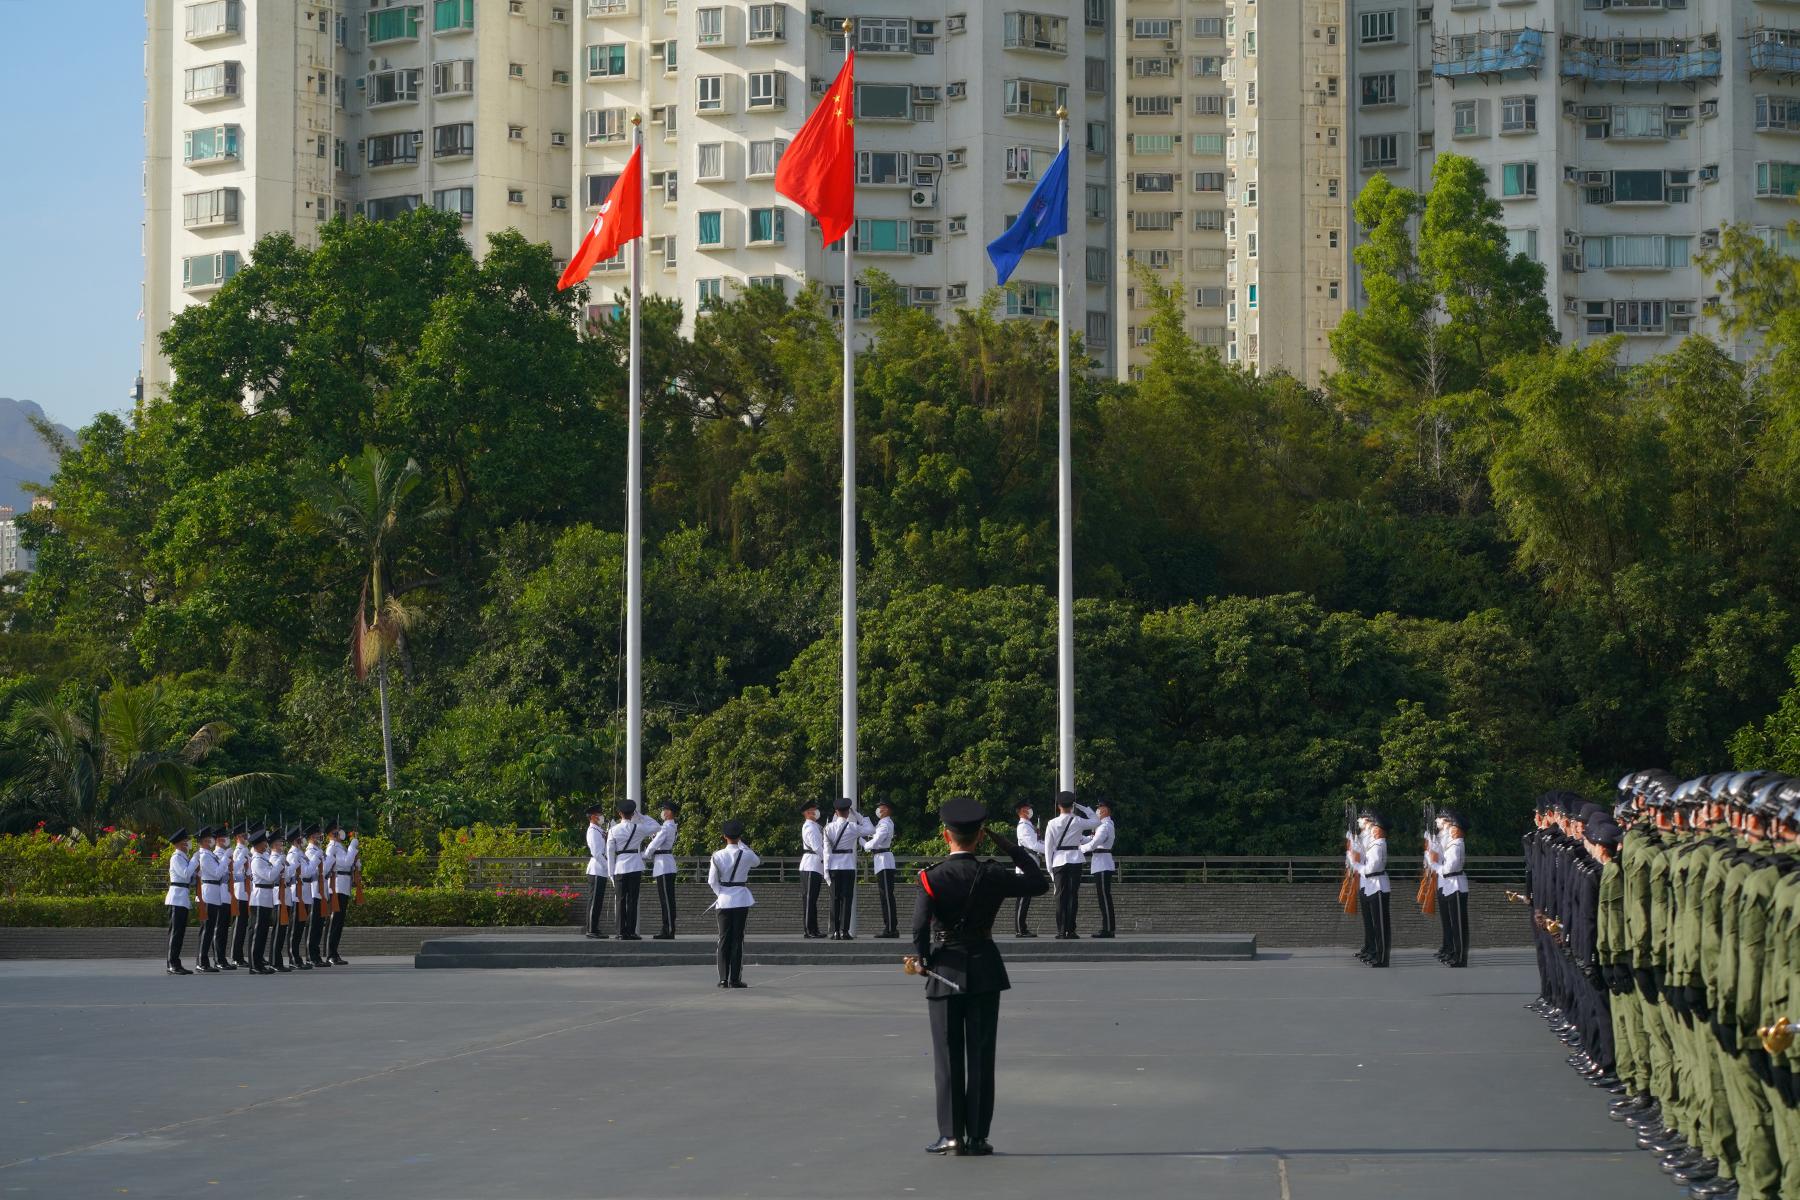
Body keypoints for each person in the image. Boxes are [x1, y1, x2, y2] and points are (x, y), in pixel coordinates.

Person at [908, 796, 1050, 1156]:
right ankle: (978, 1137)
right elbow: (1038, 883)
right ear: (981, 837)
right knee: (982, 1056)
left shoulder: (931, 876)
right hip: (985, 968)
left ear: (946, 836)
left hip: (944, 970)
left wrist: (923, 958)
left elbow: (918, 927)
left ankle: (952, 1134)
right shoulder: (992, 874)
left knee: (948, 1057)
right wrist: (1010, 846)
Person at [708, 819, 760, 988]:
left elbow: (712, 881)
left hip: (723, 900)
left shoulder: (717, 855)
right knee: (738, 939)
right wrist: (743, 845)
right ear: (740, 836)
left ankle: (723, 979)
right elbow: (757, 862)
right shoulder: (747, 854)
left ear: (724, 836)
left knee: (723, 939)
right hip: (741, 899)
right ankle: (735, 979)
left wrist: (721, 894)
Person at [1042, 792, 1100, 939]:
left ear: (1058, 806)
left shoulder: (1052, 823)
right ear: (1072, 805)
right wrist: (1083, 807)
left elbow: (1048, 848)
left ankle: (1061, 931)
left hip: (1058, 861)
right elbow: (1096, 821)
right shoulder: (1078, 820)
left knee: (1060, 896)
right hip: (1075, 860)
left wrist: (1049, 868)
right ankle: (1071, 930)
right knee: (1073, 896)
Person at [606, 799, 661, 940]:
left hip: (619, 867)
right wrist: (641, 816)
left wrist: (610, 873)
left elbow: (610, 853)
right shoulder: (639, 828)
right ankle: (631, 931)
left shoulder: (613, 830)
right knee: (632, 900)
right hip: (635, 866)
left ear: (619, 813)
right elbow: (656, 826)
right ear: (632, 813)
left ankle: (620, 932)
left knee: (620, 900)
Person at [824, 797, 874, 939]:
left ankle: (835, 931)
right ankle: (845, 931)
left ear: (836, 812)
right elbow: (871, 829)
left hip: (833, 866)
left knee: (834, 899)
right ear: (847, 812)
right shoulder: (852, 827)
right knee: (847, 899)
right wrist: (857, 814)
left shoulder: (828, 828)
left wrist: (826, 871)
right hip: (848, 866)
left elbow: (826, 852)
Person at [1349, 812, 1391, 967]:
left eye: (1375, 827)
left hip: (1377, 885)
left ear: (1379, 830)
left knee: (1380, 925)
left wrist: (1356, 865)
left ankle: (1382, 958)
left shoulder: (1379, 845)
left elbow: (1371, 868)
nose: (1372, 829)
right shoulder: (1372, 843)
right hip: (1370, 885)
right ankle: (1373, 951)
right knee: (1371, 922)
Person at [1432, 810, 1471, 968]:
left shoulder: (1456, 845)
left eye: (1451, 826)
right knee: (1450, 921)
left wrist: (1435, 865)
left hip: (1455, 884)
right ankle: (1453, 952)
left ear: (1457, 829)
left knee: (1458, 924)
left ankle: (1460, 957)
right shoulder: (1449, 844)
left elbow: (1449, 868)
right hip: (1447, 884)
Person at [1080, 800, 1119, 938]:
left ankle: (1108, 929)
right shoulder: (1104, 825)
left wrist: (1079, 850)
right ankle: (1108, 927)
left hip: (1102, 864)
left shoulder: (1104, 826)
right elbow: (1090, 838)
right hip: (1101, 863)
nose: (1098, 811)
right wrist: (1078, 838)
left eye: (1100, 808)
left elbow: (1094, 843)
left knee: (1104, 897)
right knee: (1103, 897)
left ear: (1105, 810)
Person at [195, 827, 231, 972]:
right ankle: (201, 962)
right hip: (208, 893)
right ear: (203, 841)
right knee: (207, 929)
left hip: (214, 893)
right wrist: (226, 859)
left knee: (209, 930)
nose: (211, 841)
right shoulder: (204, 856)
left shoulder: (210, 855)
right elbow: (217, 873)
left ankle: (205, 961)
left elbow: (222, 874)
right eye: (209, 839)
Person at [163, 828, 197, 975]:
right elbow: (185, 874)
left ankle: (176, 962)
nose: (187, 843)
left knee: (180, 932)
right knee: (175, 932)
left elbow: (191, 877)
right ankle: (172, 963)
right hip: (176, 897)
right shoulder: (176, 857)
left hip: (182, 897)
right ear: (178, 844)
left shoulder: (184, 858)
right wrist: (195, 861)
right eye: (185, 841)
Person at [864, 800, 899, 938]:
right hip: (881, 859)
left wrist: (866, 845)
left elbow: (876, 841)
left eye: (882, 808)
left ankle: (891, 929)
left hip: (884, 860)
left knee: (887, 896)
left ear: (888, 810)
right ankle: (890, 927)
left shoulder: (885, 824)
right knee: (885, 896)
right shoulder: (882, 823)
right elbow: (872, 841)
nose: (879, 810)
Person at [325, 817, 357, 964]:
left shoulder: (339, 846)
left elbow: (350, 863)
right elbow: (345, 862)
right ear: (332, 833)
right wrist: (353, 846)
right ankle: (330, 953)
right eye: (337, 830)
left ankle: (334, 952)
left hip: (344, 885)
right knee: (335, 921)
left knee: (339, 921)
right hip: (336, 886)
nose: (341, 832)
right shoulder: (332, 847)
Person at [247, 829, 280, 975]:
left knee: (263, 932)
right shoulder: (256, 861)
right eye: (264, 842)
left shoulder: (263, 858)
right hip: (259, 897)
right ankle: (254, 964)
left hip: (266, 897)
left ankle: (259, 961)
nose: (266, 845)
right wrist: (279, 864)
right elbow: (270, 876)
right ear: (258, 844)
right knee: (257, 932)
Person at [646, 802, 680, 939]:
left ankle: (669, 929)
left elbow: (654, 845)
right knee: (666, 899)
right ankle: (667, 928)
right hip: (663, 864)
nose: (663, 812)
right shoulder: (668, 826)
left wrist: (644, 855)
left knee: (667, 900)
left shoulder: (666, 828)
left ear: (670, 812)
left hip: (664, 865)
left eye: (665, 810)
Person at [1012, 802, 1043, 938]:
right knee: (1023, 899)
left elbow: (1036, 843)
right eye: (1028, 808)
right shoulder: (1023, 827)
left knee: (1025, 898)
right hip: (1025, 866)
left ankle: (1022, 927)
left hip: (1029, 864)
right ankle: (1020, 929)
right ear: (1023, 811)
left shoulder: (1028, 826)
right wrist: (1050, 850)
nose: (1030, 810)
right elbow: (1032, 845)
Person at [304, 825, 332, 967]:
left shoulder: (318, 851)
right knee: (314, 925)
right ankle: (311, 955)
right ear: (310, 837)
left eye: (318, 835)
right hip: (315, 890)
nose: (318, 838)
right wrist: (330, 860)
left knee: (319, 924)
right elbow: (315, 871)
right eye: (315, 836)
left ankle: (316, 954)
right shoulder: (310, 852)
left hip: (322, 889)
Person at [286, 827, 312, 971]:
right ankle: (293, 957)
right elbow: (305, 872)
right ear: (296, 839)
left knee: (300, 926)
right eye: (301, 837)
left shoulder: (300, 854)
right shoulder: (292, 855)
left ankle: (297, 957)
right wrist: (315, 860)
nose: (303, 839)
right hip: (297, 892)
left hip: (305, 891)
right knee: (295, 928)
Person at [798, 802, 826, 938]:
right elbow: (817, 847)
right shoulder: (810, 827)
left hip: (815, 866)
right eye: (814, 810)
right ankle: (809, 930)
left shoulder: (816, 826)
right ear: (808, 813)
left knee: (813, 899)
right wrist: (828, 859)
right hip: (810, 865)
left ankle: (814, 929)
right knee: (809, 899)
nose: (817, 812)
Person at [269, 829, 294, 973]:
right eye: (279, 842)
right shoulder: (273, 859)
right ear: (273, 845)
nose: (282, 845)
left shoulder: (281, 858)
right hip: (279, 895)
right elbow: (275, 876)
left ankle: (277, 960)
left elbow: (289, 876)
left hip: (286, 893)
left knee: (282, 929)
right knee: (278, 930)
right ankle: (274, 961)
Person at [582, 805, 609, 939]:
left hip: (600, 870)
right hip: (597, 869)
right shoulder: (593, 831)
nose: (601, 816)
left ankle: (595, 927)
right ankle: (591, 929)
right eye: (599, 814)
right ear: (593, 816)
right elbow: (597, 853)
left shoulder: (599, 830)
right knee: (594, 901)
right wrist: (608, 867)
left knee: (598, 901)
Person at [227, 822, 252, 968]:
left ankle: (240, 955)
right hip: (239, 889)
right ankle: (236, 956)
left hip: (246, 890)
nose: (246, 837)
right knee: (239, 924)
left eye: (246, 835)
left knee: (243, 924)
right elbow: (234, 871)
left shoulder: (245, 850)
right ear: (237, 837)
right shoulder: (238, 851)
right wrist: (242, 858)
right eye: (244, 835)